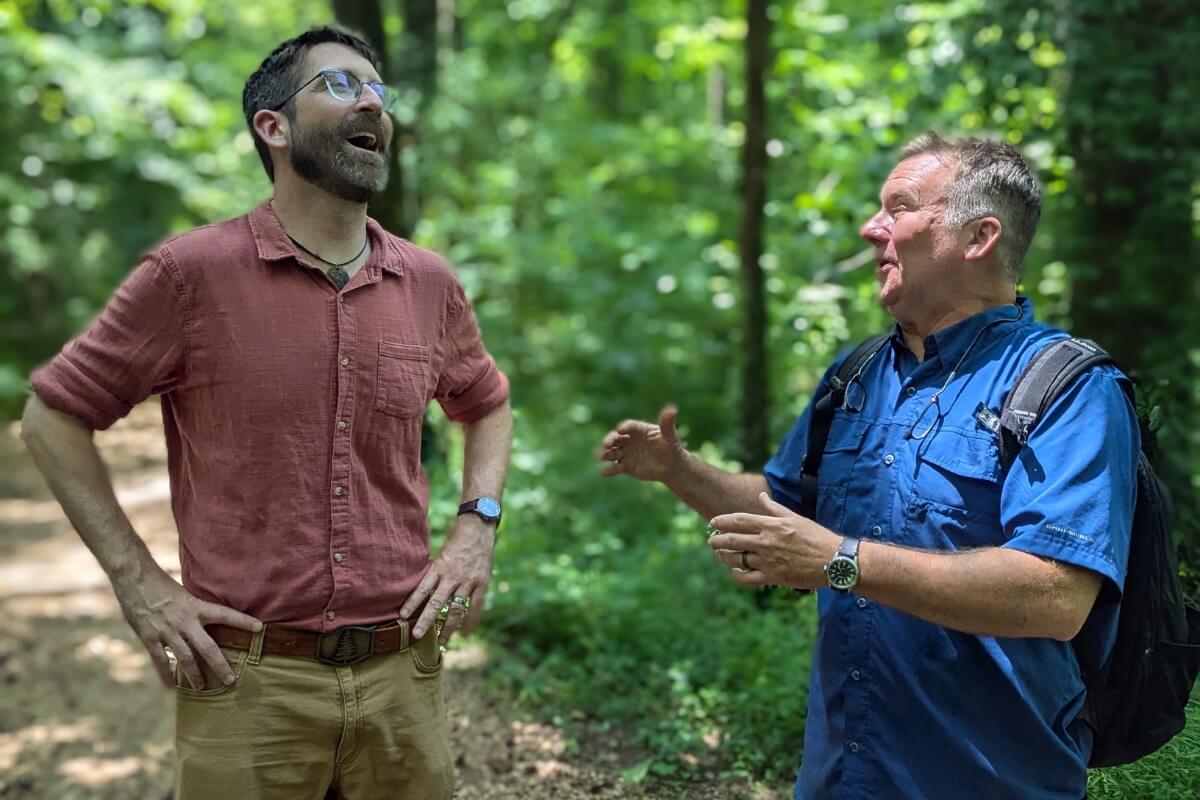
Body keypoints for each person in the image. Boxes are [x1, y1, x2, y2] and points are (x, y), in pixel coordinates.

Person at [20, 26, 512, 800]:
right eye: (342, 85)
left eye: (378, 89)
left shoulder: (428, 282)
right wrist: (140, 584)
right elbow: (51, 417)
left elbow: (487, 403)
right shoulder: (190, 275)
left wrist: (476, 527)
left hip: (402, 677)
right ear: (273, 127)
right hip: (247, 685)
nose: (373, 103)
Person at [599, 133, 1137, 799]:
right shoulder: (857, 375)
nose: (870, 228)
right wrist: (680, 470)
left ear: (979, 237)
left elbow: (1056, 596)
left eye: (899, 208)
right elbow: (786, 513)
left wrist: (842, 561)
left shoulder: (1067, 386)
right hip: (839, 778)